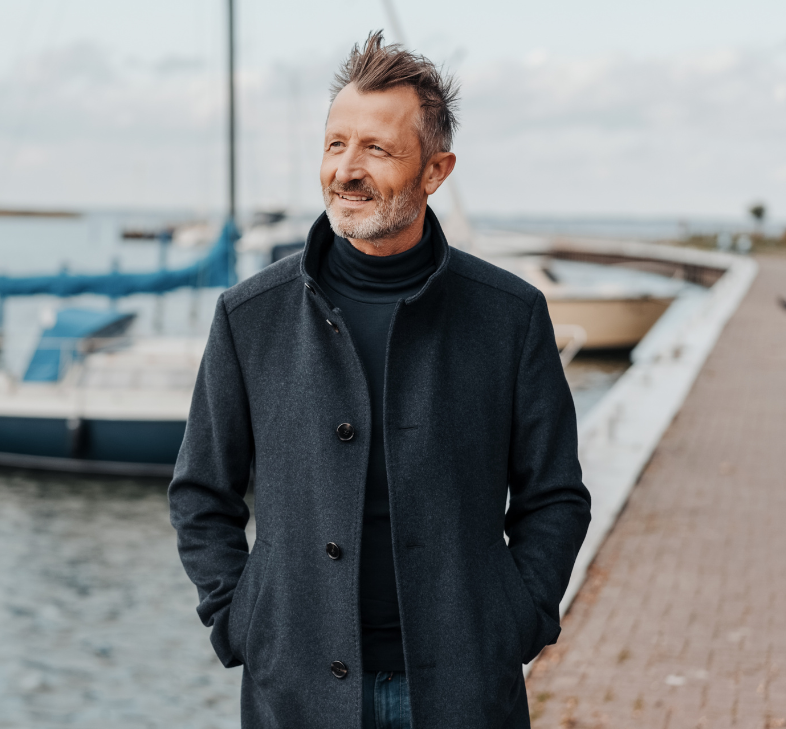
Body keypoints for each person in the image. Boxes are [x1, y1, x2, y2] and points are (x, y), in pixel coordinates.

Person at [168, 32, 591, 729]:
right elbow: (200, 493)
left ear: (435, 170)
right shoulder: (249, 317)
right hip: (296, 691)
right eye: (336, 143)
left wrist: (520, 616)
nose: (347, 169)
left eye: (378, 149)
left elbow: (554, 496)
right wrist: (241, 618)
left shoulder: (511, 316)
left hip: (463, 691)